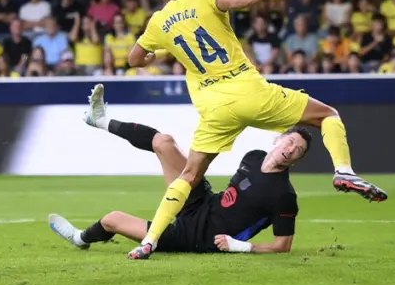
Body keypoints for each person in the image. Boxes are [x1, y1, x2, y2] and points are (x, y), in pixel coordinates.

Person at [123, 0, 386, 261]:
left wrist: (158, 54)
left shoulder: (159, 20)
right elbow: (237, 1)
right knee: (328, 115)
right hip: (249, 92)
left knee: (189, 176)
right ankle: (344, 170)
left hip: (214, 107)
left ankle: (150, 241)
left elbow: (134, 59)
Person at [50, 84, 306, 254]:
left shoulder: (284, 194)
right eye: (291, 141)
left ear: (297, 161)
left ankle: (80, 238)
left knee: (112, 219)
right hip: (202, 202)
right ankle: (99, 119)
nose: (291, 148)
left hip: (196, 238)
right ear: (278, 138)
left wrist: (240, 246)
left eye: (298, 150)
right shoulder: (253, 156)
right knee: (164, 142)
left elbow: (283, 245)